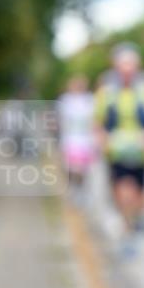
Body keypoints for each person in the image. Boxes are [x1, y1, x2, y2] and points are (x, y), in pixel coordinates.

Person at [93, 43, 144, 258]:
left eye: (130, 64)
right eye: (122, 64)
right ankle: (128, 234)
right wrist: (104, 143)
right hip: (117, 154)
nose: (127, 69)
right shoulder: (106, 92)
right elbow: (98, 123)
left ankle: (135, 222)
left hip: (141, 154)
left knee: (139, 199)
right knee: (124, 195)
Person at [57, 74, 96, 205]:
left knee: (83, 169)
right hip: (70, 140)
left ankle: (81, 192)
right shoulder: (65, 101)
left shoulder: (90, 100)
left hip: (85, 141)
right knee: (71, 168)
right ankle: (73, 190)